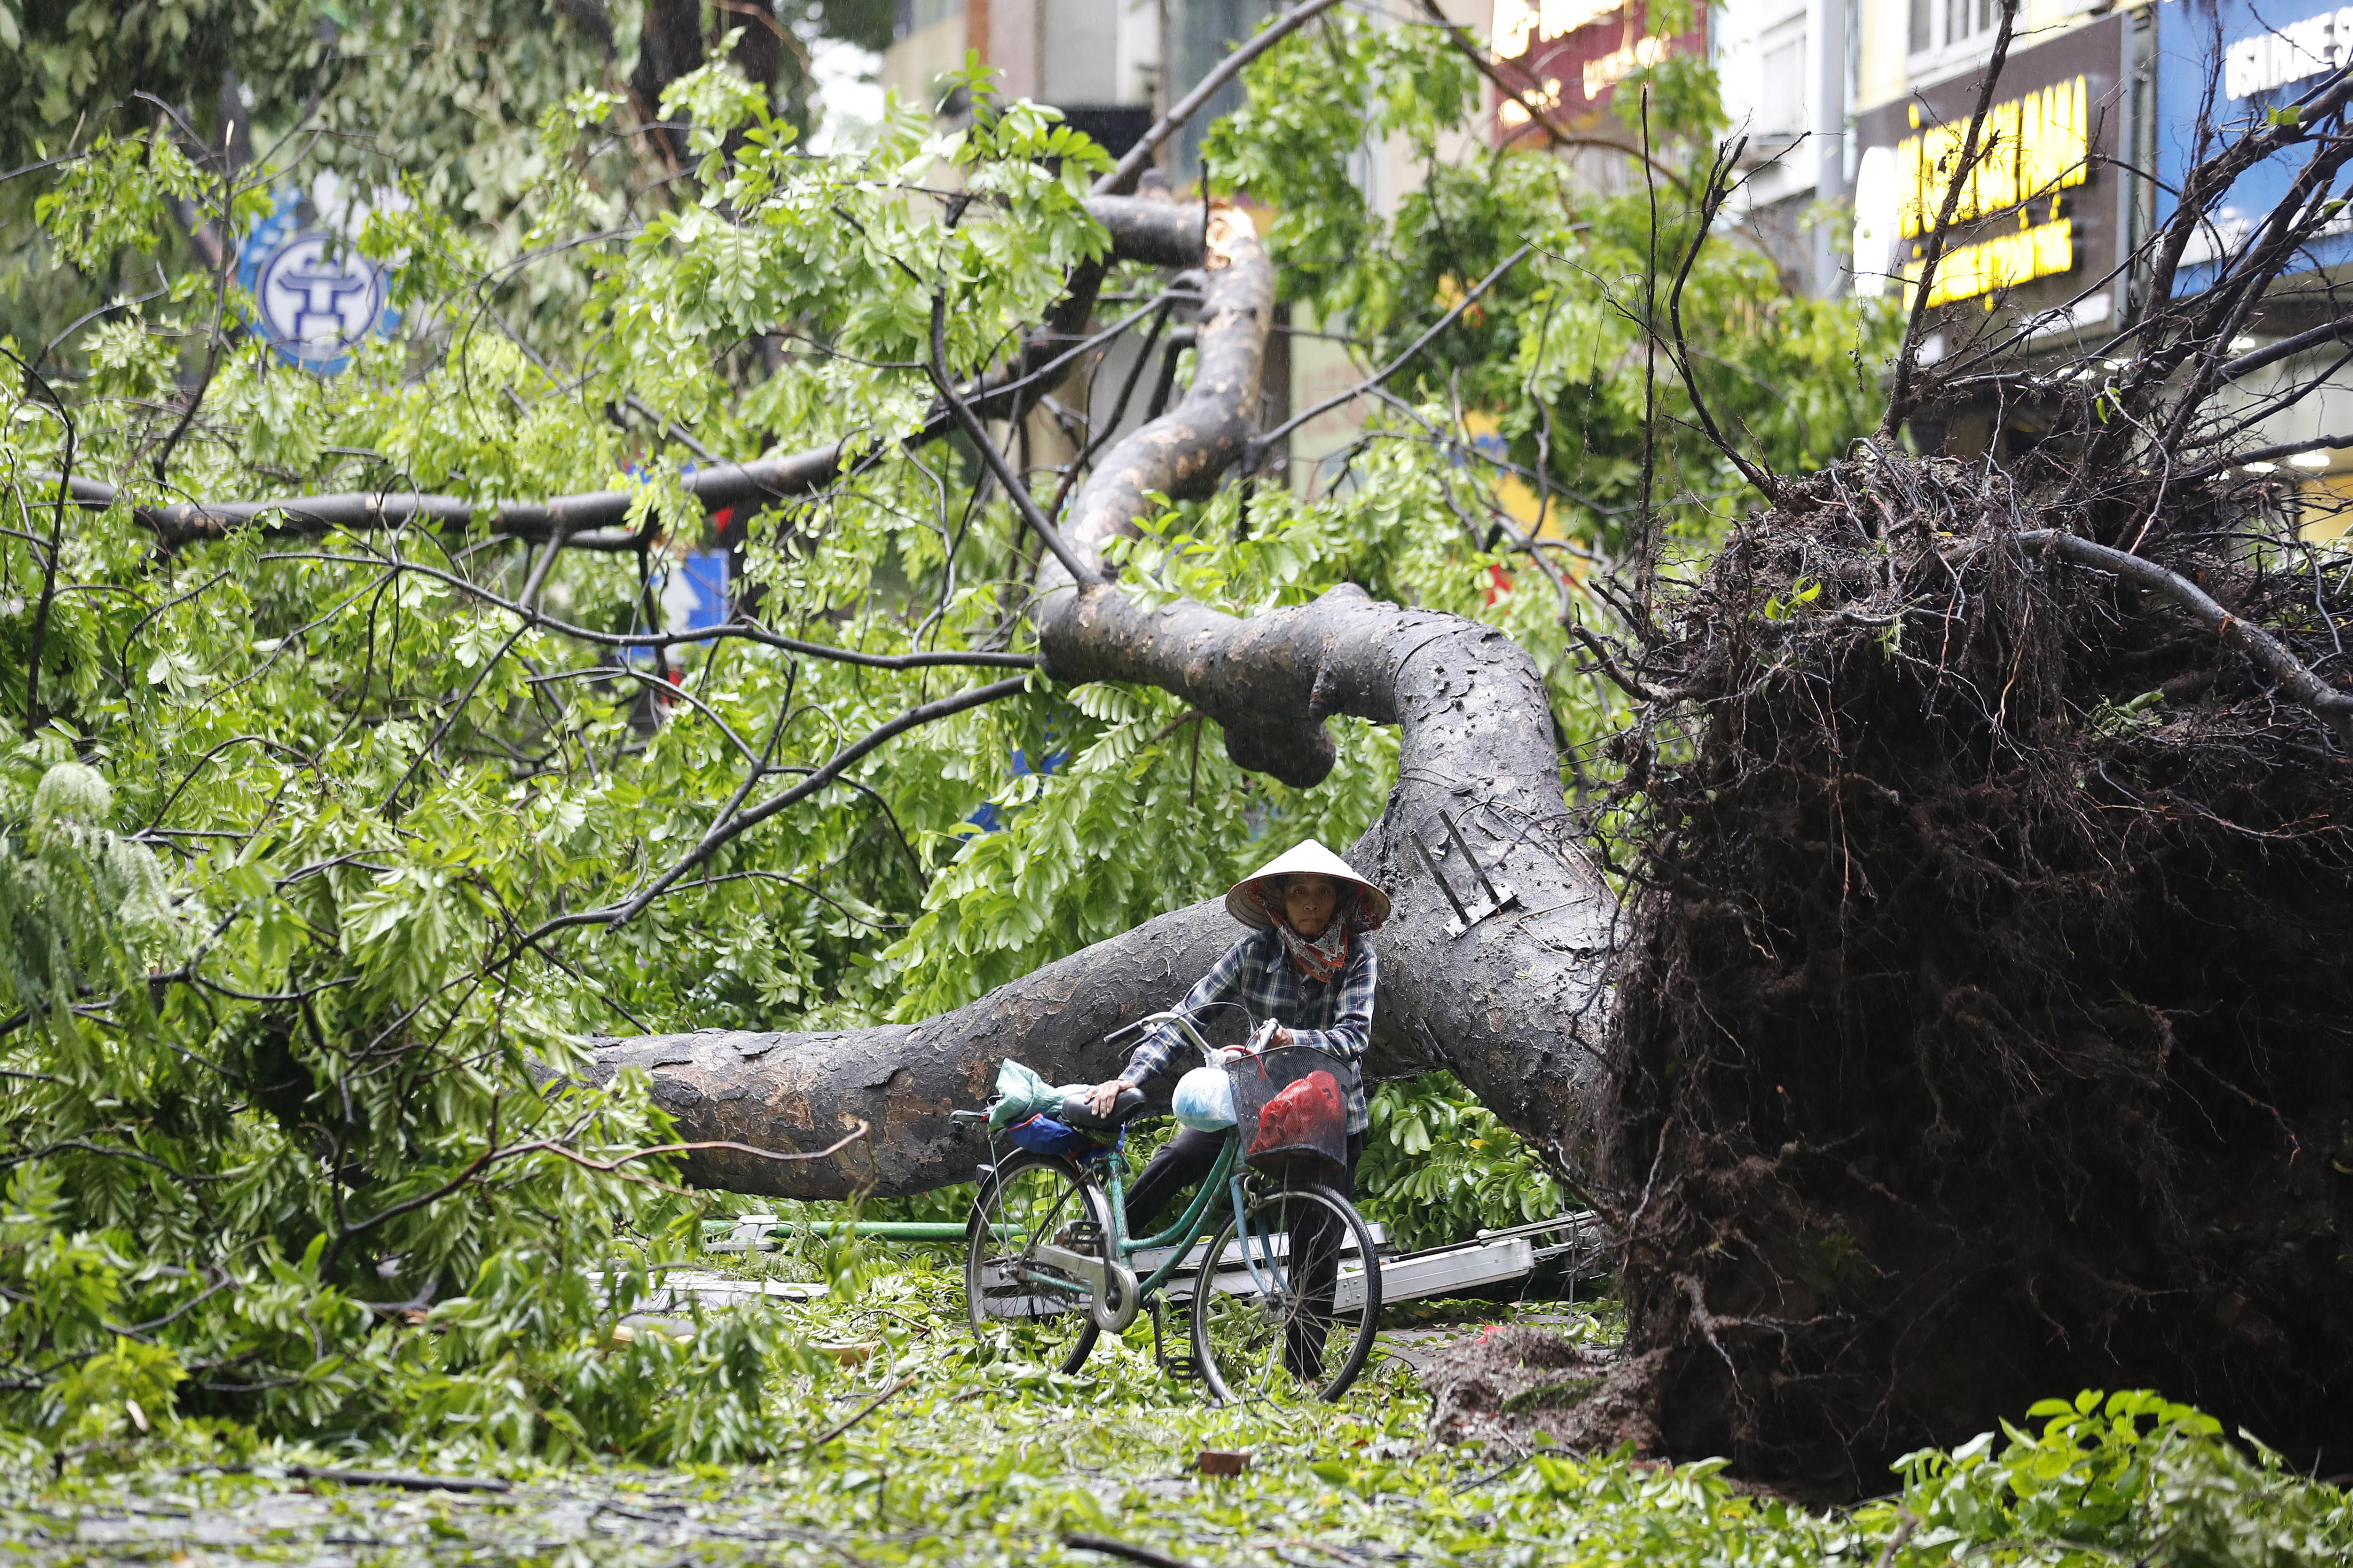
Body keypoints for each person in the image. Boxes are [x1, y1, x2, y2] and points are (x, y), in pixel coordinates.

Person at [1081, 839, 1389, 1376]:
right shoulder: (1254, 953)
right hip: (1257, 1103)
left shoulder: (1358, 956)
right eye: (1299, 892)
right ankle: (1101, 1248)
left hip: (1330, 1115)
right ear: (1279, 902)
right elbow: (1188, 1013)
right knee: (1179, 1155)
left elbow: (1353, 1036)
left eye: (1321, 892)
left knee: (1316, 1236)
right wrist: (1128, 1076)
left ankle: (1302, 1373)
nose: (1311, 902)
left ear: (1338, 901)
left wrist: (1292, 1037)